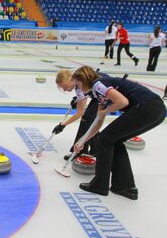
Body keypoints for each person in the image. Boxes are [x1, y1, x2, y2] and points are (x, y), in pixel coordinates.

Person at [71, 66, 166, 200]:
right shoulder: (99, 91)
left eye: (78, 84)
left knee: (104, 139)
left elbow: (123, 102)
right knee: (112, 140)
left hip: (147, 108)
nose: (77, 88)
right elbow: (98, 122)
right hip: (157, 110)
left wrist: (104, 111)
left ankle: (99, 185)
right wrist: (82, 140)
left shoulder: (99, 84)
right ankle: (125, 187)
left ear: (84, 79)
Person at [55, 69, 104, 159]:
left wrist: (62, 125)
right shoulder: (78, 81)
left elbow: (80, 113)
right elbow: (86, 95)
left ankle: (79, 151)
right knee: (90, 120)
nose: (65, 90)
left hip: (105, 93)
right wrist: (77, 99)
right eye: (63, 88)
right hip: (99, 94)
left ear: (70, 80)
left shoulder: (79, 86)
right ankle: (96, 149)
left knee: (87, 119)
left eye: (65, 87)